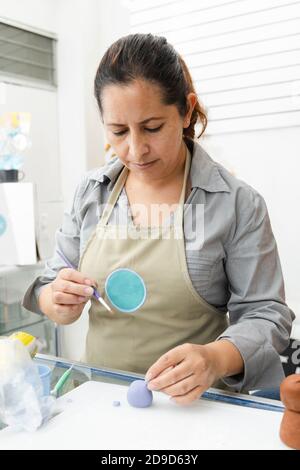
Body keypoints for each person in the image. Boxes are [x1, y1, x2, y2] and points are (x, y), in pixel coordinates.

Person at [23, 33, 294, 405]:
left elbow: (267, 315)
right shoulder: (91, 191)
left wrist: (214, 358)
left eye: (152, 127)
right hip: (98, 400)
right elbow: (51, 280)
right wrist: (54, 298)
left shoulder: (237, 204)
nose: (135, 149)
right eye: (118, 131)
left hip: (196, 407)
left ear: (185, 111)